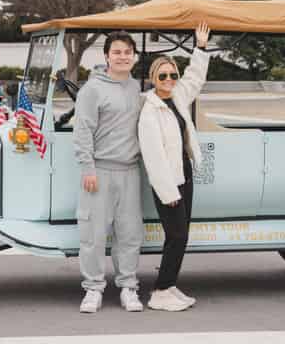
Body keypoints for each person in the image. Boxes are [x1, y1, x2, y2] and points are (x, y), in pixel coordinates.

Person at [137, 22, 211, 312]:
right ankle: (159, 291)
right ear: (153, 78)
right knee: (176, 235)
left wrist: (200, 48)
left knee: (182, 235)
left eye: (172, 75)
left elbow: (195, 78)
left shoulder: (177, 97)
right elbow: (153, 157)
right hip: (167, 182)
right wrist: (168, 191)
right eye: (162, 75)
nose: (169, 79)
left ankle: (169, 285)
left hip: (185, 173)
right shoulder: (149, 109)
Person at [73, 31, 145, 314]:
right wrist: (88, 168)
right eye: (117, 52)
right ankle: (93, 289)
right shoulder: (92, 89)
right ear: (106, 56)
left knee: (129, 234)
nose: (123, 56)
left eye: (128, 52)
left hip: (129, 171)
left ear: (134, 57)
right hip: (99, 171)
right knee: (93, 234)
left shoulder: (134, 87)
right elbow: (83, 131)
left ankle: (128, 287)